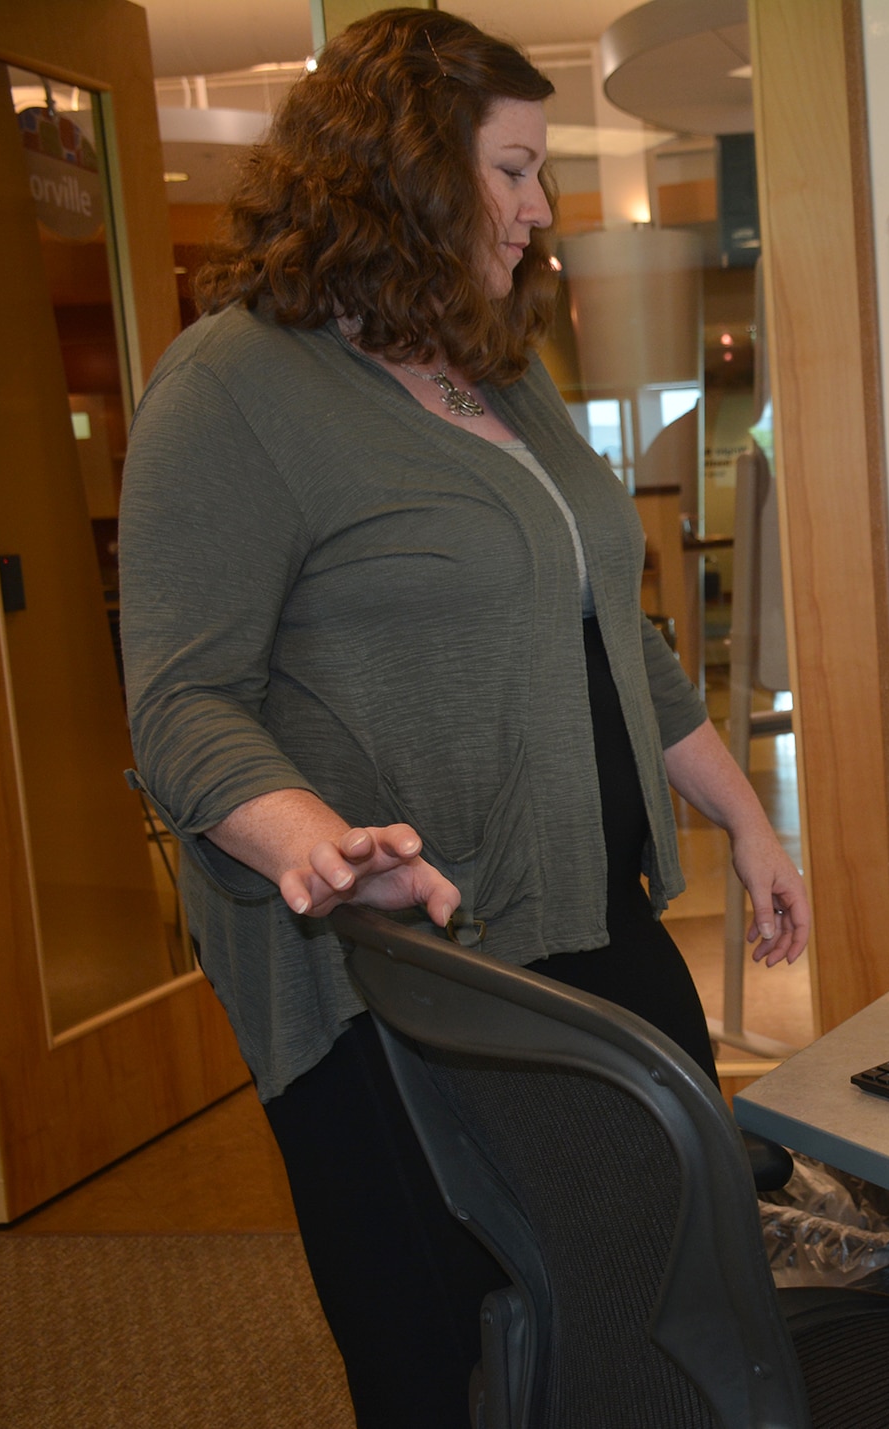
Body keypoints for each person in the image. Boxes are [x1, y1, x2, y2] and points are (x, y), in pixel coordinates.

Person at [118, 11, 808, 1424]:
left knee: (653, 1312)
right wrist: (310, 835)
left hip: (591, 922)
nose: (537, 210)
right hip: (396, 974)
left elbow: (612, 632)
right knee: (452, 1354)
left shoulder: (498, 370)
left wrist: (742, 817)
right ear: (401, 174)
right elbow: (179, 700)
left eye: (541, 172)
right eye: (508, 171)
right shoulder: (233, 386)